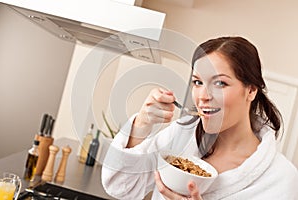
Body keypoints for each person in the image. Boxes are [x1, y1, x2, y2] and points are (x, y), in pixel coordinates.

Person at [101, 36, 298, 200]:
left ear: (251, 90)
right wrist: (142, 125)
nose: (203, 96)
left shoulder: (281, 179)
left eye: (220, 83)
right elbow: (119, 186)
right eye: (197, 82)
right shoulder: (182, 134)